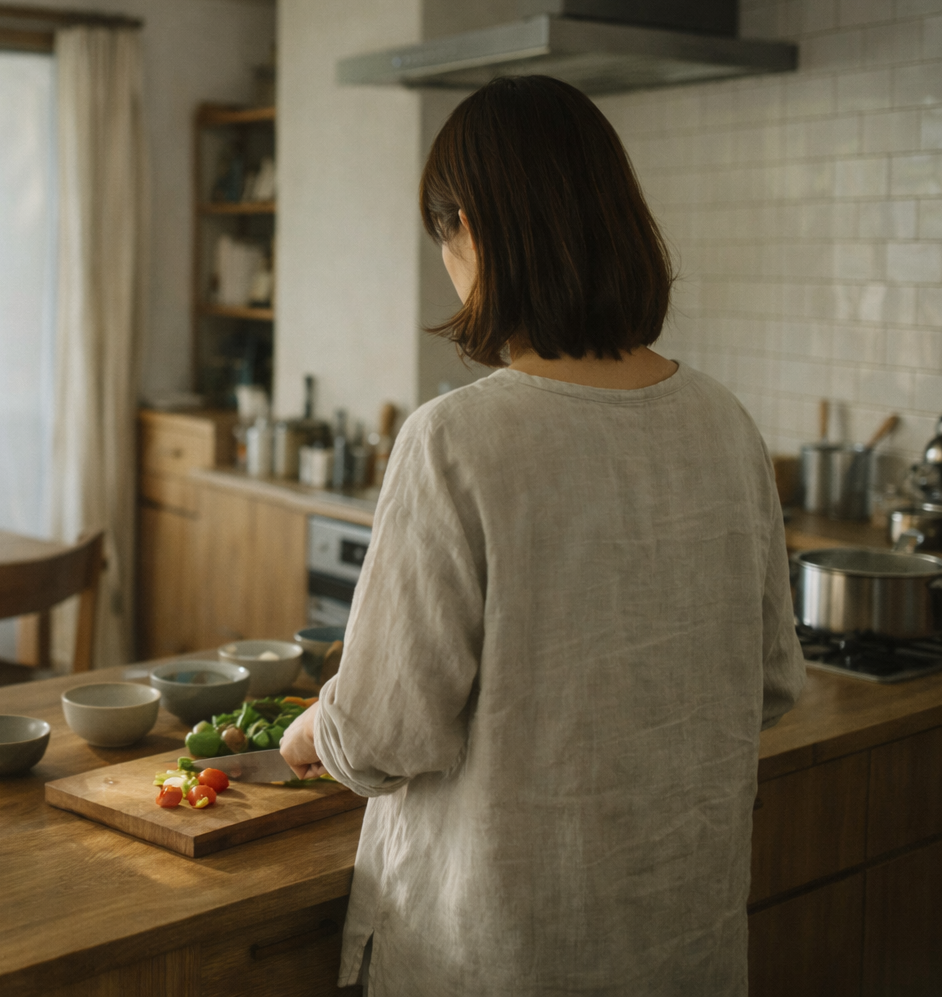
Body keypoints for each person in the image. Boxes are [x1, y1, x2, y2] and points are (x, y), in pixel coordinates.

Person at [278, 75, 805, 996]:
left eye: (445, 239)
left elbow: (383, 734)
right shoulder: (726, 424)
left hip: (501, 957)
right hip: (686, 947)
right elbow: (771, 681)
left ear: (473, 229)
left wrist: (313, 731)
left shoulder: (456, 439)